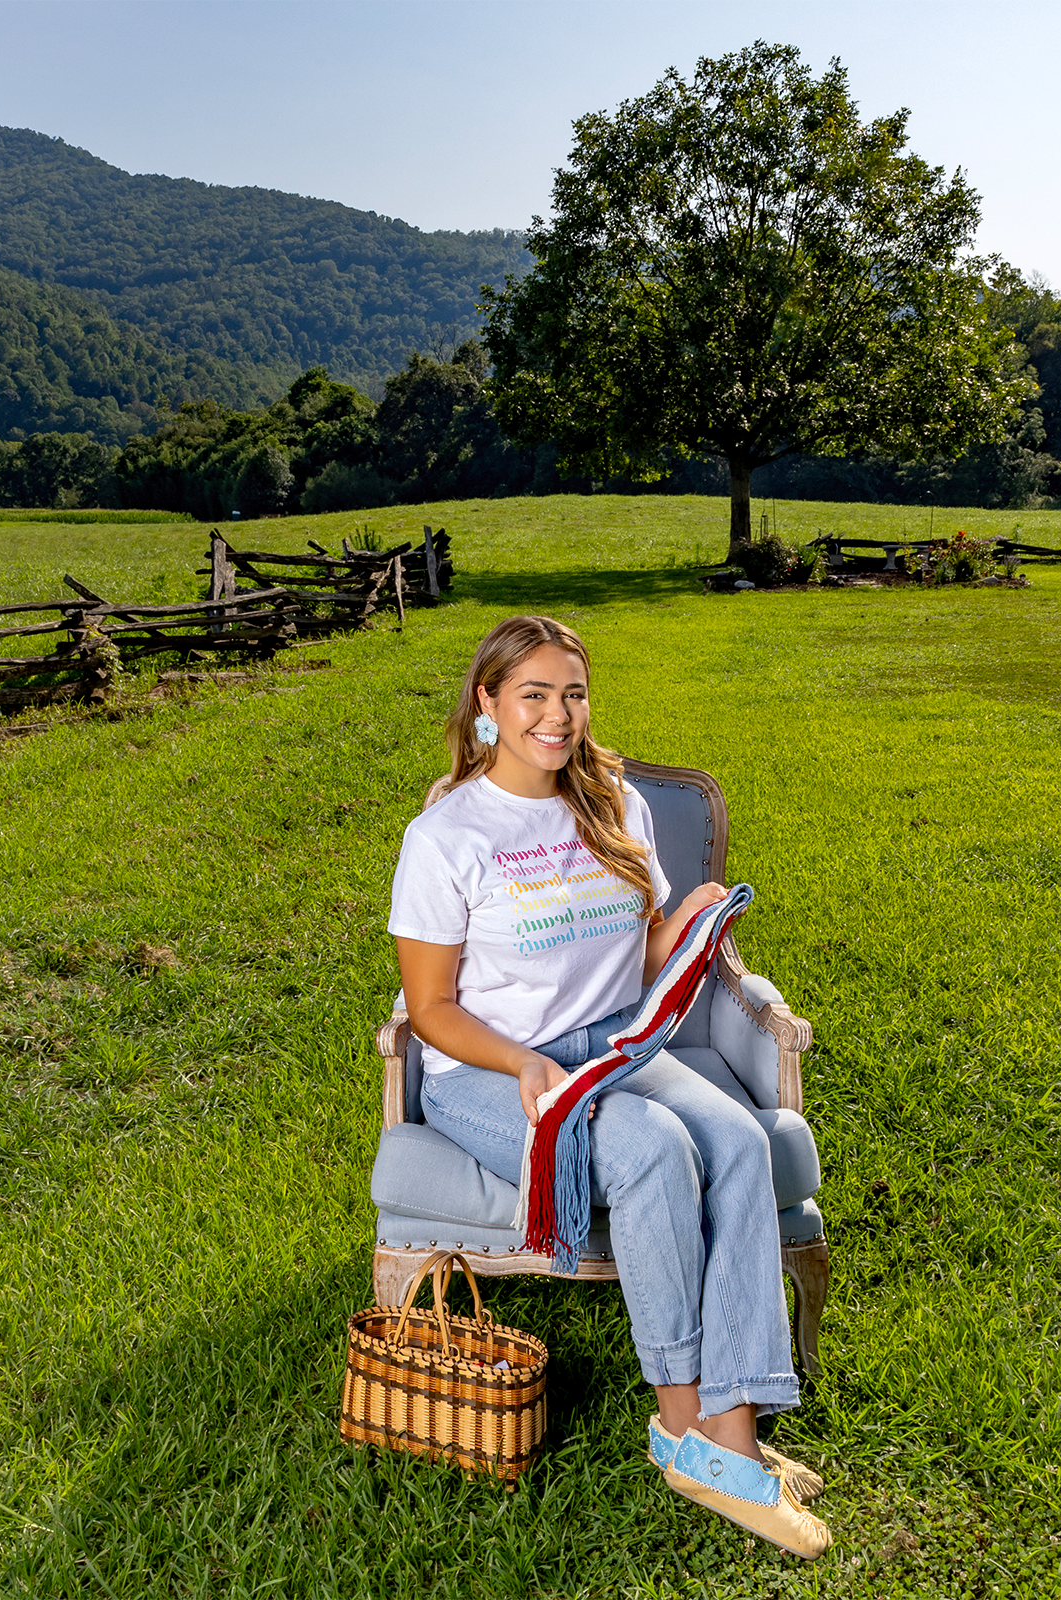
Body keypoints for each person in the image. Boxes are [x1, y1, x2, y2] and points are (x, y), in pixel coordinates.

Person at [387, 615, 830, 1559]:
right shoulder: (445, 837)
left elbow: (643, 955)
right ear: (488, 706)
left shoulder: (613, 805)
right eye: (534, 696)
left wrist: (695, 918)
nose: (557, 716)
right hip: (493, 1071)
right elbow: (429, 1009)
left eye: (573, 694)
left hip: (615, 1042)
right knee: (654, 1152)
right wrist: (522, 1064)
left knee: (743, 1144)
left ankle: (731, 1431)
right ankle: (687, 1432)